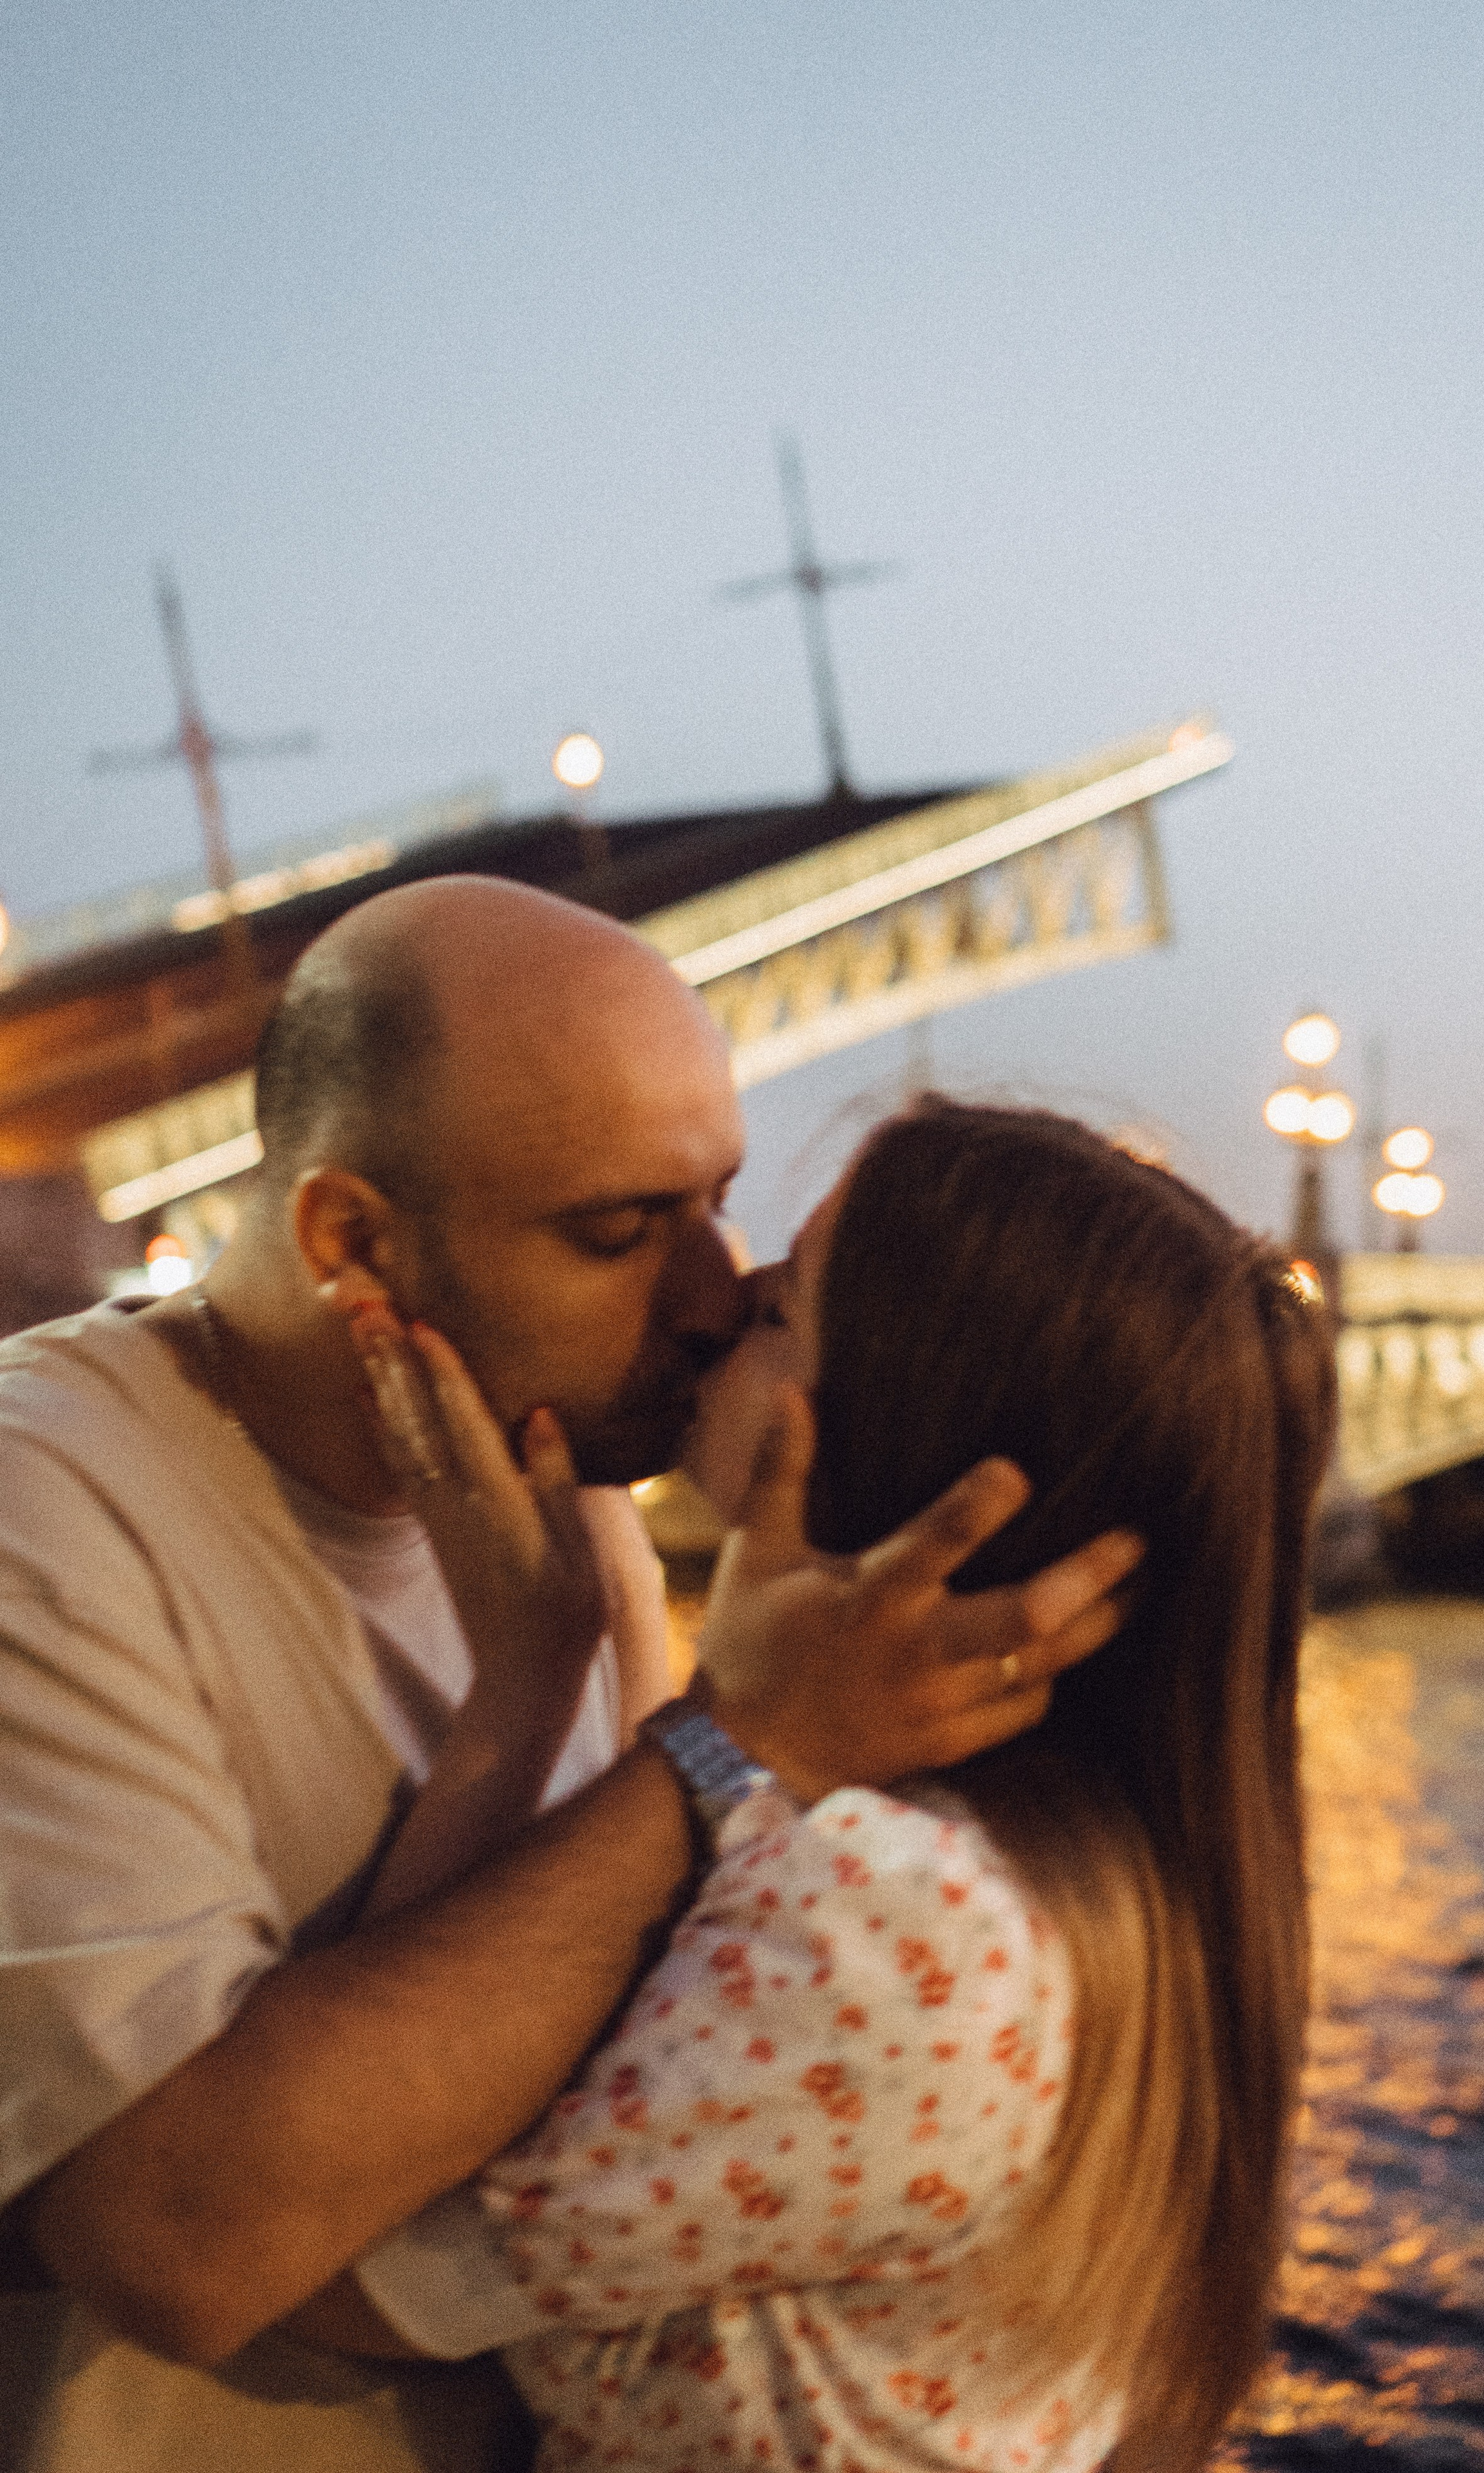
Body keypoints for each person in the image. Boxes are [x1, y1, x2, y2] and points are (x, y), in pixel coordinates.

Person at [0, 881, 1138, 2473]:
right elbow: (180, 2242)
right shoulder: (46, 1504)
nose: (714, 1297)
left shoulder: (579, 1502)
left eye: (716, 1202)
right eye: (618, 1231)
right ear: (351, 1241)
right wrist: (733, 1743)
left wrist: (561, 1694)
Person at [328, 1097, 1338, 2473]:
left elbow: (335, 2238)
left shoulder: (894, 1912)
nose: (717, 1304)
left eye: (786, 1303)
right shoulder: (1082, 1874)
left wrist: (532, 1681)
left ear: (907, 1427)